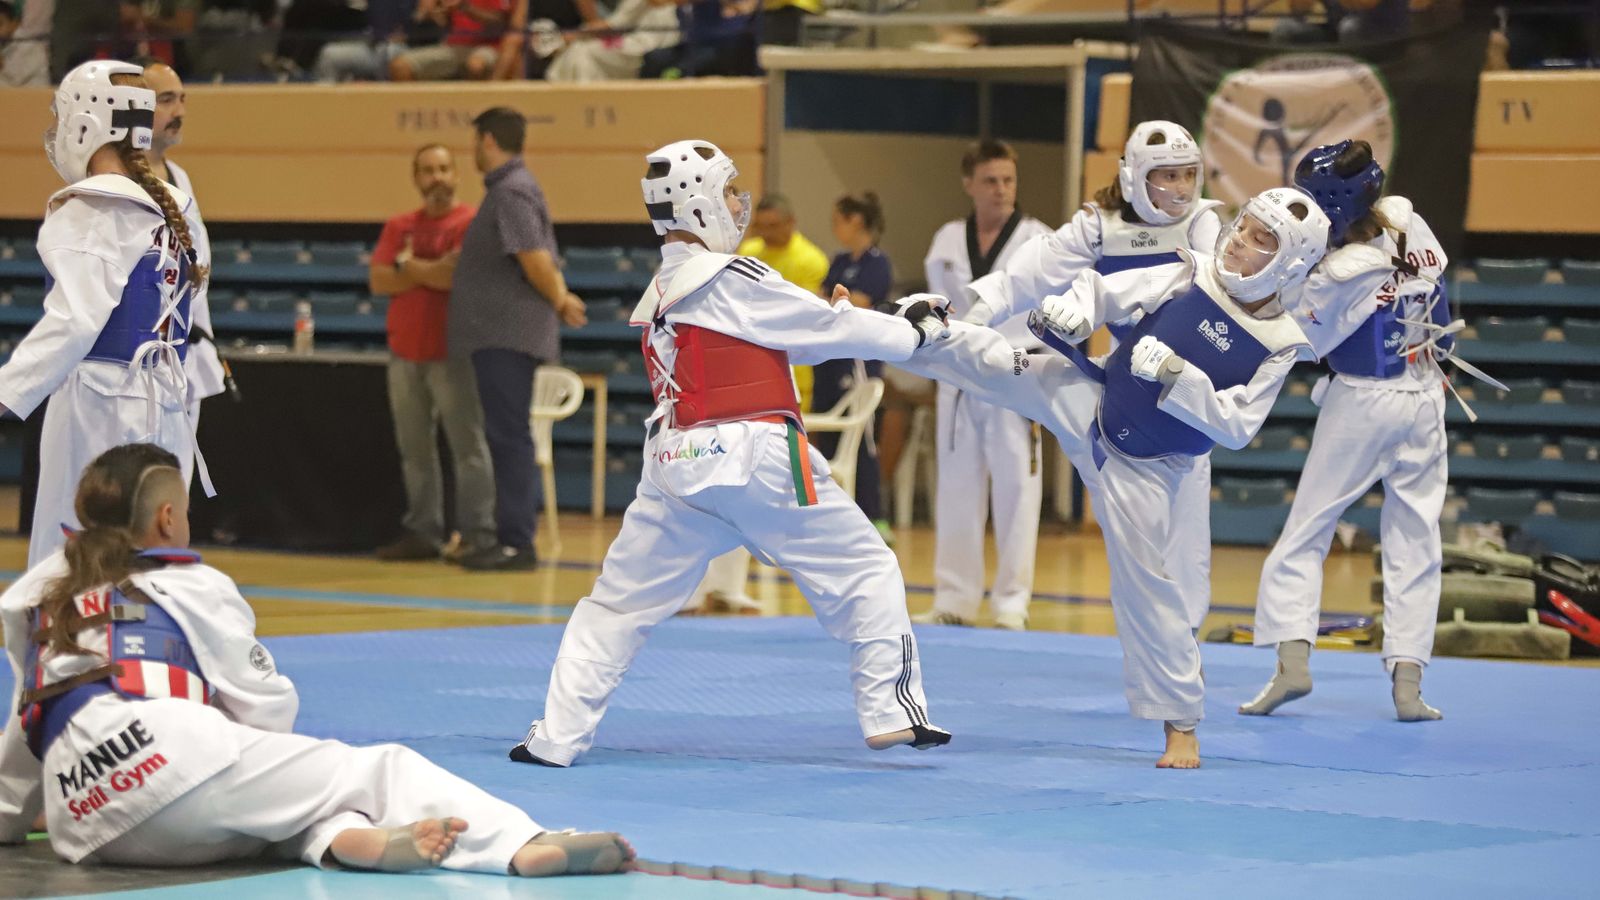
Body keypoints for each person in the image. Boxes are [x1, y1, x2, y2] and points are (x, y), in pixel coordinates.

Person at [508, 139, 954, 767]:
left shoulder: (663, 290)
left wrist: (855, 319)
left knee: (616, 607)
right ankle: (892, 712)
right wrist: (914, 332)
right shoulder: (734, 276)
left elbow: (795, 337)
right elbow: (830, 329)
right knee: (866, 569)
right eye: (728, 191)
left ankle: (555, 737)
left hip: (674, 468)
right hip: (754, 454)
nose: (740, 204)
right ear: (698, 205)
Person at [0, 443, 635, 877]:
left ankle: (344, 841)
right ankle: (520, 844)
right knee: (373, 770)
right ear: (168, 519)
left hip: (89, 826)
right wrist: (261, 752)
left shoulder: (36, 595)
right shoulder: (191, 584)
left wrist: (9, 817)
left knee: (261, 803)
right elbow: (266, 709)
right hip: (178, 761)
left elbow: (28, 722)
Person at [894, 187, 1331, 768]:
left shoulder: (1279, 345)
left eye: (1261, 241)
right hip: (1093, 394)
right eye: (1244, 227)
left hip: (1147, 468)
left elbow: (1236, 427)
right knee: (996, 363)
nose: (1239, 243)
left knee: (1148, 587)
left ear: (1291, 265)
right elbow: (1108, 290)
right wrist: (1080, 311)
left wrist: (1179, 376)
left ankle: (1182, 725)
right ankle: (902, 327)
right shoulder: (1191, 272)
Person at [961, 121, 1224, 634]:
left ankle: (1185, 637)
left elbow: (1216, 291)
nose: (1180, 189)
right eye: (1166, 176)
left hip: (1185, 388)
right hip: (1120, 383)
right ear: (1132, 178)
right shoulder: (1098, 226)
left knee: (1187, 529)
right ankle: (1146, 632)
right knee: (1127, 527)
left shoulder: (1203, 223)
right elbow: (1025, 276)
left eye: (1188, 175)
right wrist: (974, 317)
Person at [1242, 140, 1452, 722]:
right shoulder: (1413, 228)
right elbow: (1445, 322)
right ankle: (1408, 685)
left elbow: (1301, 342)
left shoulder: (1333, 275)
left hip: (1362, 401)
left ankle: (1292, 664)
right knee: (1416, 539)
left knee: (1308, 530)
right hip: (1427, 398)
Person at [0, 60, 213, 570]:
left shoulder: (91, 207)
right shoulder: (172, 203)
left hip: (98, 403)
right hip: (166, 403)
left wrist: (6, 394)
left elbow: (74, 322)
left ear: (86, 123)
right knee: (147, 559)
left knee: (70, 557)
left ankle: (69, 627)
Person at [917, 140, 1051, 631]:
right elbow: (935, 309)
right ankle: (954, 598)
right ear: (969, 184)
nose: (1001, 190)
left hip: (1017, 370)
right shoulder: (948, 240)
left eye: (1008, 180)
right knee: (956, 488)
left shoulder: (1039, 240)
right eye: (991, 180)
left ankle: (1012, 602)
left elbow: (1057, 310)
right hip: (958, 372)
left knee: (1018, 489)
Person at [449, 107, 586, 571]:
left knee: (508, 437)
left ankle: (516, 542)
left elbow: (532, 256)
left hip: (506, 336)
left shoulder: (511, 190)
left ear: (488, 140)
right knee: (504, 435)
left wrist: (560, 299)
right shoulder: (510, 189)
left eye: (475, 141)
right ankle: (507, 536)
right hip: (497, 336)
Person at [369, 144, 498, 562]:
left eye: (444, 168)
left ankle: (477, 534)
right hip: (405, 353)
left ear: (456, 174)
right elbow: (379, 281)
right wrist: (430, 269)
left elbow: (453, 278)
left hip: (454, 352)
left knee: (467, 448)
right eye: (428, 170)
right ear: (416, 178)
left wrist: (409, 266)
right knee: (415, 452)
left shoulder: (470, 222)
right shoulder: (399, 225)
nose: (437, 177)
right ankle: (423, 532)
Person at [139, 61, 228, 435]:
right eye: (166, 100)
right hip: (139, 351)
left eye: (182, 99)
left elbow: (198, 267)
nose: (180, 111)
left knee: (178, 463)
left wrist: (203, 340)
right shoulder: (119, 180)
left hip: (185, 347)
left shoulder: (181, 178)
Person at [815, 190, 894, 532]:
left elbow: (856, 302)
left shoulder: (877, 263)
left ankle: (874, 516)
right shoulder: (839, 261)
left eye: (838, 221)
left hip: (858, 362)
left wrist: (834, 301)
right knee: (829, 439)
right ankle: (836, 518)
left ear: (857, 221)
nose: (834, 228)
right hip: (830, 360)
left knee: (862, 440)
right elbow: (823, 298)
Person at [389, 0, 510, 81]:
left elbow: (500, 21)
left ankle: (476, 110)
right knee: (400, 66)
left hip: (488, 46)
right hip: (453, 46)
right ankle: (421, 109)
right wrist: (432, 12)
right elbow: (442, 20)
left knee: (475, 66)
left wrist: (466, 7)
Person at [0, 0, 51, 87]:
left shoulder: (30, 46)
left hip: (32, 92)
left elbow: (15, 80)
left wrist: (2, 67)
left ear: (13, 24)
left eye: (0, 24)